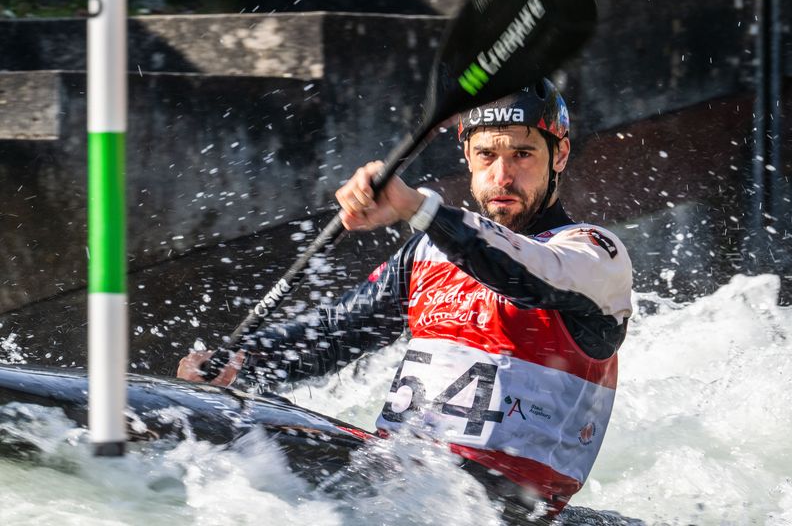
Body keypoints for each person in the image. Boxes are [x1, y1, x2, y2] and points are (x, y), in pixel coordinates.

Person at [178, 78, 633, 522]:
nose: (502, 175)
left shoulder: (594, 253)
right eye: (486, 155)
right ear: (468, 158)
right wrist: (243, 362)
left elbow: (525, 273)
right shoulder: (428, 251)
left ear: (561, 155)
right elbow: (337, 333)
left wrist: (419, 208)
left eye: (522, 154)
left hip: (501, 509)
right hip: (398, 484)